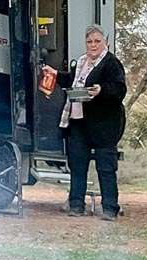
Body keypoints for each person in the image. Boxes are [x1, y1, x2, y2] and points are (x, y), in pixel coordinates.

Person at [48, 25, 126, 221]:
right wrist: (55, 75)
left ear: (105, 43)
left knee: (105, 167)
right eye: (89, 41)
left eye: (97, 41)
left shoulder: (111, 63)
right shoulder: (82, 62)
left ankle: (109, 208)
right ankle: (76, 205)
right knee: (77, 165)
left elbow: (119, 89)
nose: (93, 45)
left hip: (104, 125)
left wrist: (101, 90)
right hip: (78, 122)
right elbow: (71, 81)